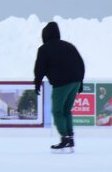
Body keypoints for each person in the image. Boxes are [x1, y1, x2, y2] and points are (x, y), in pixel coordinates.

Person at [33, 21, 86, 152]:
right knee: (66, 111)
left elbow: (39, 68)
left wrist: (37, 83)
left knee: (57, 111)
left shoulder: (44, 49)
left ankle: (65, 138)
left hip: (61, 84)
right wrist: (80, 82)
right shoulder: (69, 46)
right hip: (75, 82)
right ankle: (70, 137)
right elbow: (81, 64)